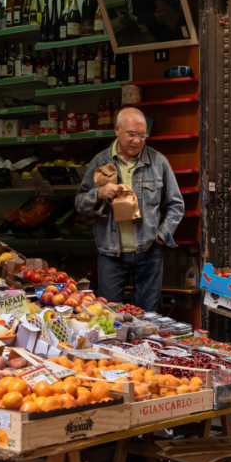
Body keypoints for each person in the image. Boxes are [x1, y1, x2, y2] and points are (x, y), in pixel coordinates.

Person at [74, 107, 184, 311]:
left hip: (149, 252)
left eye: (142, 135)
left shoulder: (158, 161)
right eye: (131, 134)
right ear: (117, 130)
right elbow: (80, 203)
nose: (137, 141)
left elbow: (176, 205)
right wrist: (98, 194)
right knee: (110, 313)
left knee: (148, 315)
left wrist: (161, 235)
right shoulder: (100, 162)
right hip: (111, 253)